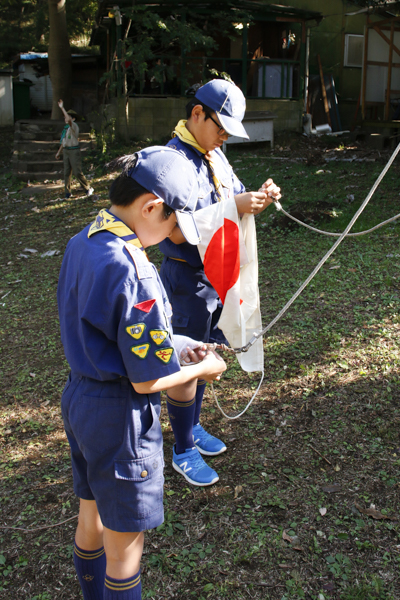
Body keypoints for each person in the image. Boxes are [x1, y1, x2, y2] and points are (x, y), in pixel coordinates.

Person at [57, 146, 226, 600]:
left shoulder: (87, 239)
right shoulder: (136, 269)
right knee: (124, 555)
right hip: (121, 419)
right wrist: (206, 367)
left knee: (90, 518)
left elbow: (111, 329)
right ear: (151, 206)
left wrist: (180, 344)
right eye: (173, 224)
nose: (173, 235)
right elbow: (145, 381)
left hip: (79, 401)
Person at [159, 79, 282, 486]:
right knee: (189, 361)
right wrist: (234, 206)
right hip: (187, 279)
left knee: (209, 355)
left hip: (218, 276)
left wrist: (257, 197)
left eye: (230, 132)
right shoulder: (172, 161)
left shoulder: (215, 155)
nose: (224, 137)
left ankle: (191, 428)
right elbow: (174, 231)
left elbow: (234, 197)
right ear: (197, 114)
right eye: (221, 128)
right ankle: (182, 449)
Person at [55, 99, 94, 200]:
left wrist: (62, 108)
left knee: (77, 172)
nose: (66, 118)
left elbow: (68, 120)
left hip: (74, 151)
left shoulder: (74, 126)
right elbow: (63, 142)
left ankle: (87, 188)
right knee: (66, 173)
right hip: (66, 151)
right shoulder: (65, 129)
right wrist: (59, 153)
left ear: (73, 119)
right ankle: (67, 193)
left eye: (68, 117)